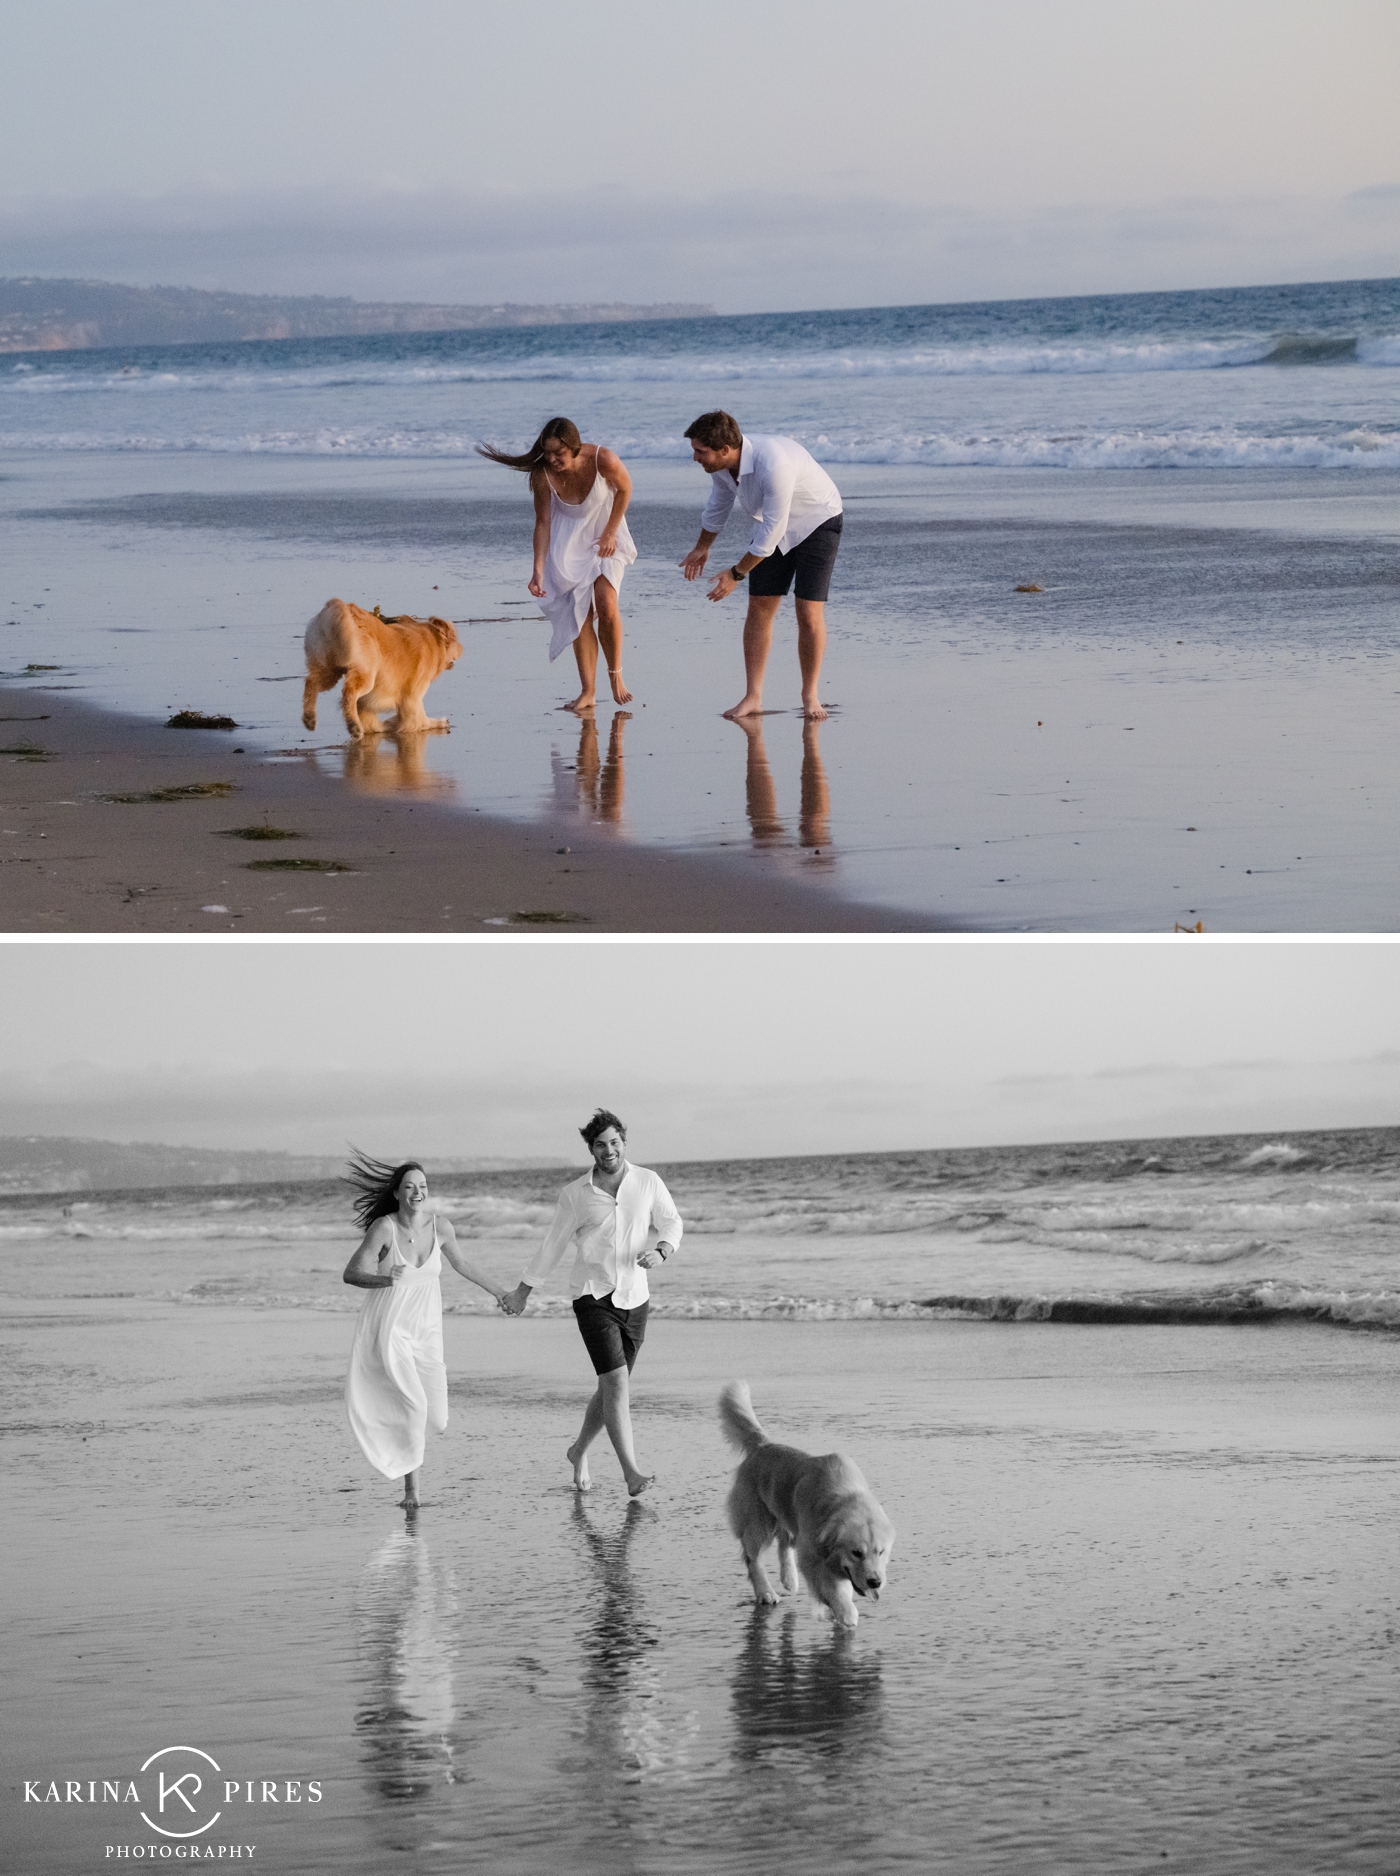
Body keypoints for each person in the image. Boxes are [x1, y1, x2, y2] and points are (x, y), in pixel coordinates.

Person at [501, 1109, 682, 1496]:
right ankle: (631, 1472)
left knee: (609, 1389)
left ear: (624, 1143)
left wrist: (662, 1251)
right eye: (600, 1145)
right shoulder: (574, 1195)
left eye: (615, 1143)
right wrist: (523, 1291)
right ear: (591, 1149)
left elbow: (672, 1223)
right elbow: (552, 1246)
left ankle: (578, 1450)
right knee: (616, 1383)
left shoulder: (648, 1181)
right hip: (592, 1296)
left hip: (636, 1297)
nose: (609, 1151)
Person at [343, 1152, 510, 1510]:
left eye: (423, 1186)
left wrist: (500, 1293)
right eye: (410, 1187)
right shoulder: (384, 1228)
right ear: (397, 1194)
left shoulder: (441, 1227)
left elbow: (462, 1264)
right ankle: (411, 1491)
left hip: (428, 1330)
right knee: (415, 1407)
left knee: (436, 1418)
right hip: (392, 1328)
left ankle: (406, 1464)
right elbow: (351, 1273)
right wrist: (384, 1278)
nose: (418, 1192)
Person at [679, 410, 843, 721]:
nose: (696, 458)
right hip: (773, 526)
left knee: (808, 611)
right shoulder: (722, 466)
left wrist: (737, 574)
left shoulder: (773, 464)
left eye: (701, 452)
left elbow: (773, 531)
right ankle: (753, 696)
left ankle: (810, 695)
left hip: (817, 522)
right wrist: (703, 547)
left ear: (725, 449)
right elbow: (718, 505)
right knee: (759, 607)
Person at [478, 418, 638, 712]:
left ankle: (616, 675)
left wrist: (611, 532)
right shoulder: (542, 475)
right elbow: (543, 522)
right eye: (547, 453)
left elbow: (625, 490)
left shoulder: (604, 460)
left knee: (606, 603)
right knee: (580, 613)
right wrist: (537, 570)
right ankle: (588, 691)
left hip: (606, 533)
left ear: (574, 448)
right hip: (568, 542)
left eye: (558, 454)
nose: (551, 460)